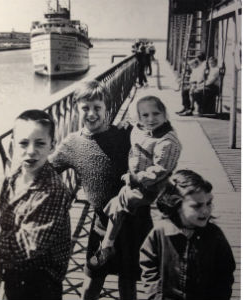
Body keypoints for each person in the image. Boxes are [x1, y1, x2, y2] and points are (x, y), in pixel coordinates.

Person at [51, 80, 147, 300]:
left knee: (128, 284)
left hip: (132, 220)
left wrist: (136, 123)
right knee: (92, 281)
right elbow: (47, 168)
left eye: (97, 108)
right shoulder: (71, 144)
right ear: (76, 109)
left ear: (107, 108)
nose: (91, 113)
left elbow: (154, 136)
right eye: (85, 108)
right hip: (101, 223)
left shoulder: (124, 135)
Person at [0, 110, 73, 300]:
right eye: (24, 143)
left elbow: (26, 248)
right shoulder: (14, 177)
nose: (31, 151)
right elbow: (3, 219)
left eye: (40, 143)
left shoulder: (52, 191)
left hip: (40, 283)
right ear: (12, 147)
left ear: (52, 146)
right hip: (15, 276)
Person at [89, 95, 182, 269]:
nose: (151, 119)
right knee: (117, 205)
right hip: (135, 180)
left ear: (165, 114)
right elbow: (134, 130)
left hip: (151, 187)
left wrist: (136, 177)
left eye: (156, 113)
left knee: (118, 204)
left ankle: (107, 246)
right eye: (145, 115)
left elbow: (160, 170)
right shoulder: (141, 128)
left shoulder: (167, 141)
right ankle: (109, 243)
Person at [140, 169, 236, 300]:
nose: (205, 210)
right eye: (197, 206)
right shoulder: (161, 232)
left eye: (209, 203)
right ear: (177, 205)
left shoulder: (214, 235)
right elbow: (148, 263)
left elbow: (225, 271)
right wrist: (156, 294)